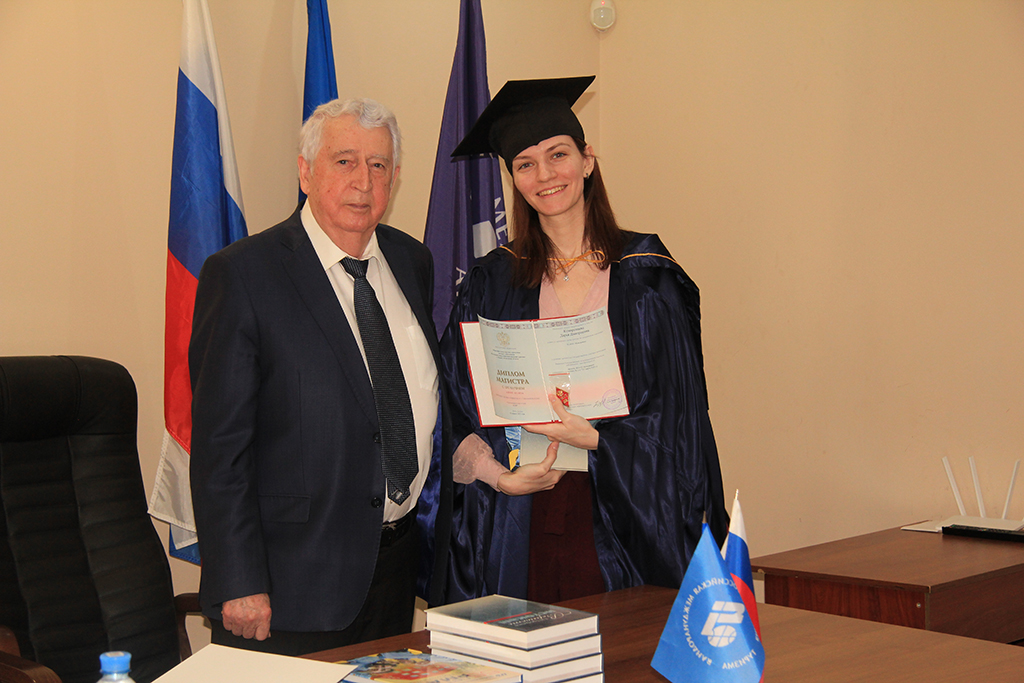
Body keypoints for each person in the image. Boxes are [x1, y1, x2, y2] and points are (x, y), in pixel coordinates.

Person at [439, 76, 728, 604]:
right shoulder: (492, 282)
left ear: (588, 160)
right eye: (525, 164)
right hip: (524, 513)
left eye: (558, 155)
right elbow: (452, 402)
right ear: (513, 179)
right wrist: (497, 477)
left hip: (629, 517)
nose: (545, 175)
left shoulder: (648, 278)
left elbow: (681, 420)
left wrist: (597, 440)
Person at [189, 98, 452, 655]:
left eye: (378, 165)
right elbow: (220, 448)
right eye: (344, 161)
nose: (363, 181)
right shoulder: (242, 275)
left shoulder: (412, 261)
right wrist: (238, 578)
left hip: (395, 571)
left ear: (395, 178)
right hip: (290, 586)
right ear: (305, 172)